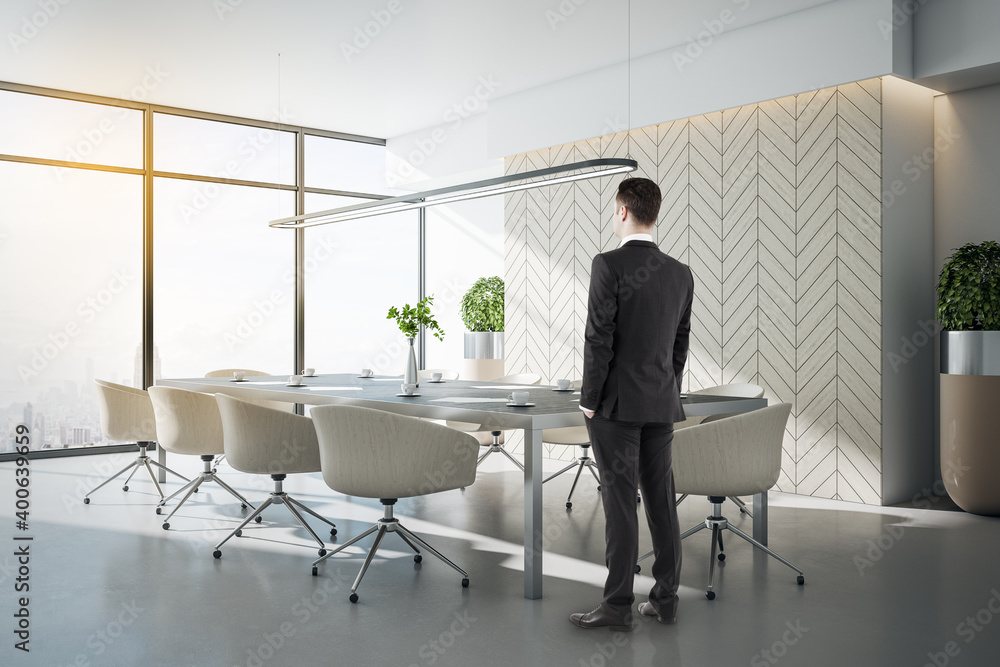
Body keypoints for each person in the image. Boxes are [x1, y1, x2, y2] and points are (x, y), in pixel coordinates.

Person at [570, 176, 694, 631]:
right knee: (661, 501)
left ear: (622, 210)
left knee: (620, 503)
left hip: (616, 408)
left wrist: (589, 399)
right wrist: (667, 388)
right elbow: (680, 346)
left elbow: (598, 339)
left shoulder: (609, 264)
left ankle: (617, 607)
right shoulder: (681, 273)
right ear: (654, 212)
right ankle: (665, 599)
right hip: (662, 403)